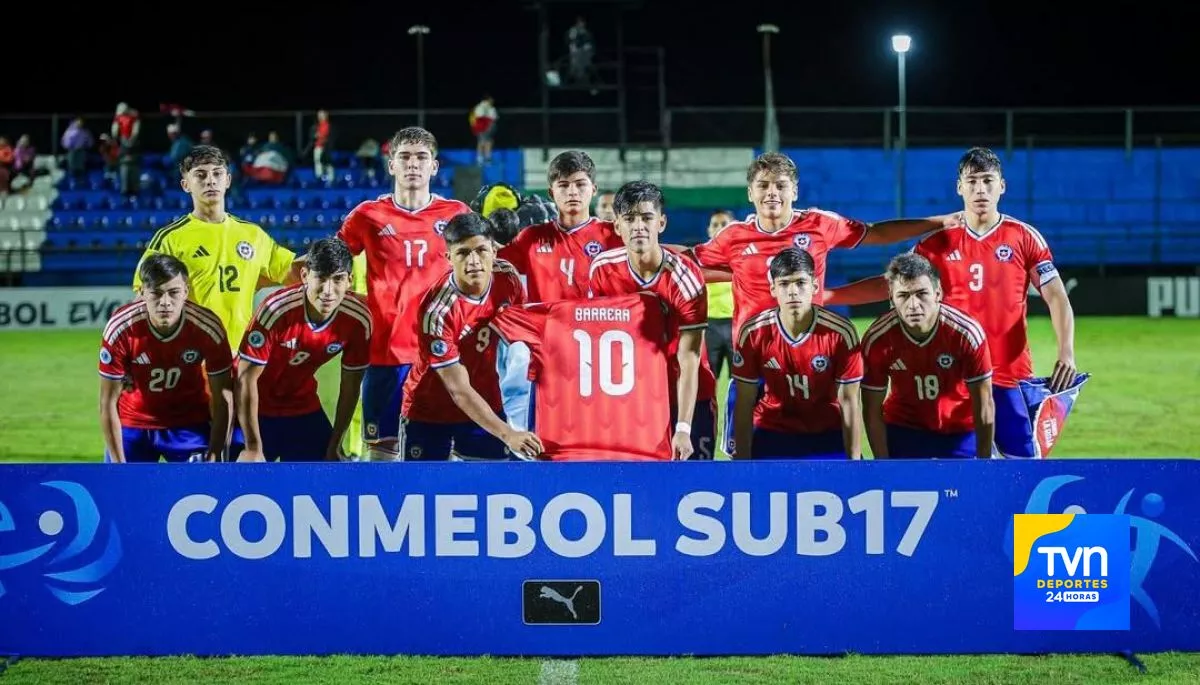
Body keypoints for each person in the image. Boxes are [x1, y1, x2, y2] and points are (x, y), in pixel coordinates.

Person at [681, 151, 961, 457]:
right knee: (747, 458)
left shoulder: (818, 224)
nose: (772, 192)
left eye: (780, 185)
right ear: (750, 193)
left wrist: (938, 222)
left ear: (794, 191)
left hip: (811, 364)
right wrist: (643, 251)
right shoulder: (733, 236)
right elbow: (687, 261)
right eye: (763, 185)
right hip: (755, 365)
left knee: (824, 452)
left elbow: (874, 232)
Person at [827, 147, 1077, 459]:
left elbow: (1056, 295)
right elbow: (891, 284)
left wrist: (1066, 351)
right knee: (956, 465)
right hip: (953, 376)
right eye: (972, 181)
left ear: (1002, 186)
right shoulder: (936, 242)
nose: (980, 189)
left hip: (1009, 374)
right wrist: (828, 296)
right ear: (960, 187)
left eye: (988, 181)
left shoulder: (1024, 237)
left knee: (1023, 467)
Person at [334, 127, 470, 461]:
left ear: (434, 167)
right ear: (391, 165)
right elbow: (332, 263)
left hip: (441, 355)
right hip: (385, 355)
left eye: (421, 157)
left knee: (443, 454)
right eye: (404, 157)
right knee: (384, 454)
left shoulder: (457, 215)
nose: (413, 164)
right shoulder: (367, 215)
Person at [586, 180, 716, 460]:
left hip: (687, 397)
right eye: (629, 219)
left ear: (661, 223)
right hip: (634, 398)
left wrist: (683, 428)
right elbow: (601, 347)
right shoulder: (602, 270)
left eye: (646, 217)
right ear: (617, 226)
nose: (638, 226)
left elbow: (689, 358)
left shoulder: (685, 278)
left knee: (693, 480)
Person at [399, 213, 541, 461]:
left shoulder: (508, 279)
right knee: (424, 486)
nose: (473, 261)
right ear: (449, 258)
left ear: (494, 251)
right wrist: (508, 434)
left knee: (494, 483)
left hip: (486, 400)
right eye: (463, 253)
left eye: (481, 250)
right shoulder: (438, 312)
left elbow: (525, 329)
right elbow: (459, 390)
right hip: (429, 411)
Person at [133, 145, 298, 351]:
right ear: (186, 185)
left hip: (240, 355)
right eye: (200, 175)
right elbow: (143, 298)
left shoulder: (253, 235)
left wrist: (332, 253)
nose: (210, 180)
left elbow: (294, 272)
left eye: (217, 174)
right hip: (190, 357)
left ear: (227, 180)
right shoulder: (170, 239)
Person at [490, 292, 677, 461]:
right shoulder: (651, 307)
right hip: (643, 446)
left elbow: (497, 318)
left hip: (562, 449)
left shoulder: (550, 315)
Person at [235, 239, 372, 462]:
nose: (328, 291)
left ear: (350, 280)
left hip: (301, 406)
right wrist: (252, 447)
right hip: (253, 408)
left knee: (329, 473)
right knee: (236, 476)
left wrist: (335, 445)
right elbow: (245, 378)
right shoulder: (276, 310)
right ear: (305, 276)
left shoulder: (358, 319)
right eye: (321, 278)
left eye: (338, 279)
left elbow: (350, 387)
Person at [731, 248, 863, 459]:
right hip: (772, 430)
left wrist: (854, 461)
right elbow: (744, 401)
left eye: (801, 283)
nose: (793, 292)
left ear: (815, 286)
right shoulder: (754, 332)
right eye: (784, 284)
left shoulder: (841, 333)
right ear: (773, 289)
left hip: (828, 432)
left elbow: (849, 402)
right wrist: (743, 462)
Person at [99, 255, 233, 463]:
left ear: (186, 292)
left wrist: (215, 454)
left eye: (174, 292)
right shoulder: (121, 329)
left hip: (189, 425)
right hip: (132, 426)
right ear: (142, 292)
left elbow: (223, 397)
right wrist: (118, 466)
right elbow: (107, 402)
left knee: (201, 484)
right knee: (120, 483)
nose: (165, 302)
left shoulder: (208, 328)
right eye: (156, 293)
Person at [860, 253, 995, 459]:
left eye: (921, 293)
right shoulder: (877, 339)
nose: (913, 304)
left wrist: (984, 463)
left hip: (961, 430)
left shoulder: (966, 334)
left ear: (938, 293)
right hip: (904, 428)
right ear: (891, 298)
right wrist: (883, 464)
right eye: (903, 295)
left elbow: (984, 403)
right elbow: (872, 409)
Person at [498, 150, 623, 303]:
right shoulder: (531, 237)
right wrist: (496, 230)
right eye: (563, 185)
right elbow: (488, 261)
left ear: (594, 189)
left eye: (580, 184)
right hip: (543, 319)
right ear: (551, 193)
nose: (572, 192)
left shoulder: (614, 235)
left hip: (597, 318)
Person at [704, 209, 736, 378]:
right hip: (709, 326)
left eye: (724, 224)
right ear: (708, 230)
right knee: (708, 378)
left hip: (736, 325)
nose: (719, 228)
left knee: (740, 379)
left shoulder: (742, 256)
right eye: (715, 225)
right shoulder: (700, 256)